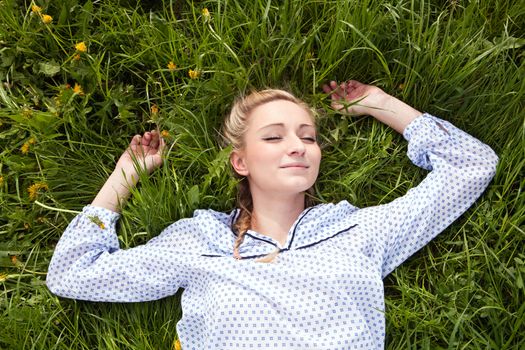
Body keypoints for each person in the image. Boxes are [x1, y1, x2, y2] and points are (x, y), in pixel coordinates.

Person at [46, 80, 498, 349]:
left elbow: (471, 166)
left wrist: (380, 104)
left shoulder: (359, 231)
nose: (298, 146)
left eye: (308, 136)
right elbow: (73, 273)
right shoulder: (201, 242)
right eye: (274, 137)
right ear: (240, 161)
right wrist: (128, 174)